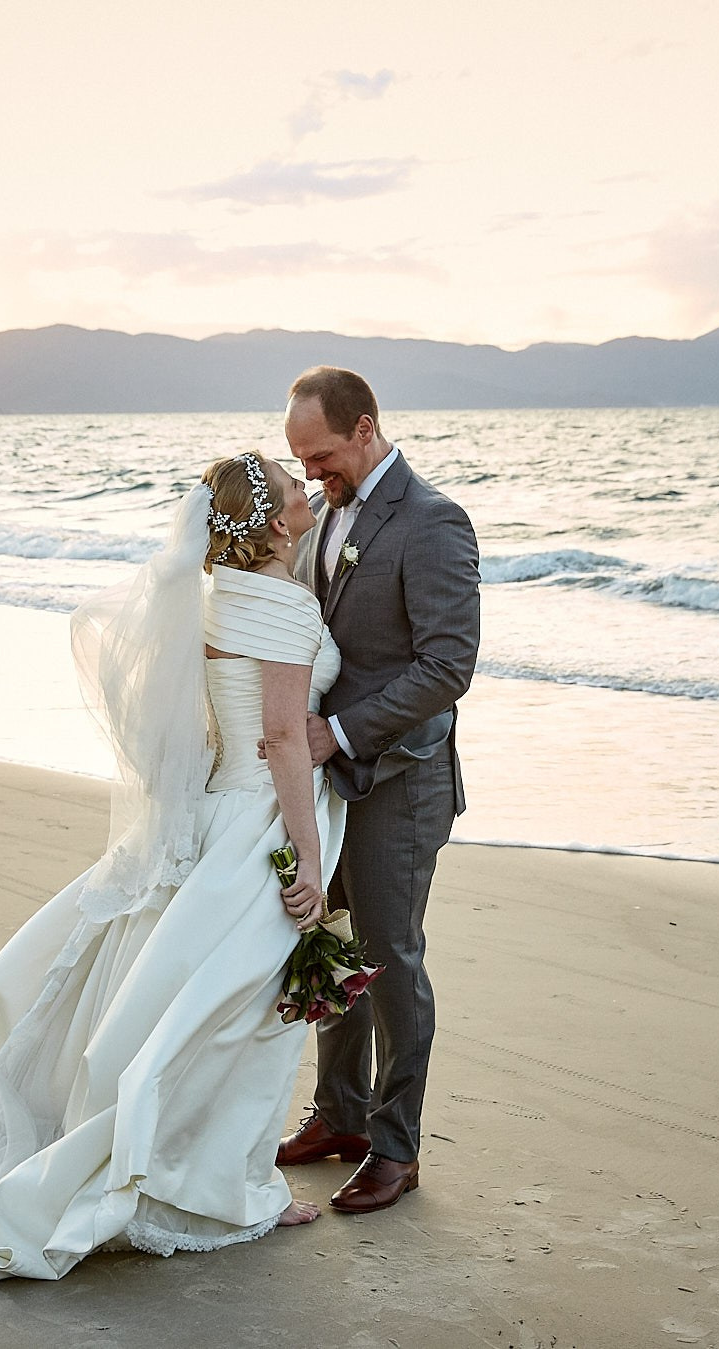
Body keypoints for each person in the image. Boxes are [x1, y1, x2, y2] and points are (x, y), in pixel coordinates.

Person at [0, 451, 344, 1281]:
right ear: (276, 522)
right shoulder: (282, 602)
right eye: (289, 481)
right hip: (257, 821)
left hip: (212, 810)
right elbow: (279, 737)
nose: (302, 485)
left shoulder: (215, 595)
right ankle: (220, 1187)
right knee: (232, 1012)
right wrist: (307, 855)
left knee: (199, 1002)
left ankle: (228, 1177)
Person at [276, 366, 480, 1214]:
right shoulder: (324, 514)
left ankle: (396, 1148)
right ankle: (339, 1114)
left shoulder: (433, 521)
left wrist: (341, 731)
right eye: (299, 459)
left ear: (365, 428)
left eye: (321, 454)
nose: (312, 472)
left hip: (401, 777)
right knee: (332, 943)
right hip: (328, 784)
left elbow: (447, 666)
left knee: (390, 958)